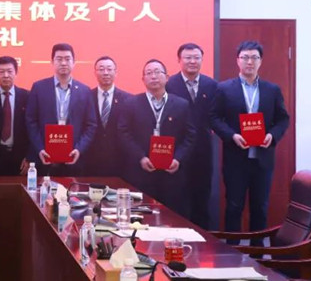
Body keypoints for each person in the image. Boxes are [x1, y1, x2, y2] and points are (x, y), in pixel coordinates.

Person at [210, 40, 290, 243]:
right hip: (235, 158)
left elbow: (283, 119)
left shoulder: (272, 90)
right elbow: (214, 118)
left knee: (260, 207)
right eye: (245, 57)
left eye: (254, 57)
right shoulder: (224, 88)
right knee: (234, 206)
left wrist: (272, 135)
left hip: (263, 159)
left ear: (260, 61)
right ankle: (232, 250)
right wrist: (232, 136)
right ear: (237, 60)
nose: (249, 62)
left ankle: (258, 251)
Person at [116, 59, 195, 217]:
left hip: (171, 172)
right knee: (142, 216)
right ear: (143, 79)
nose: (153, 76)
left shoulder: (181, 104)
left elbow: (190, 135)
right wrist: (140, 157)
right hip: (141, 171)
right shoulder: (131, 103)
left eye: (158, 72)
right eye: (149, 73)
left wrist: (178, 159)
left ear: (167, 77)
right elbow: (123, 133)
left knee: (171, 217)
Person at [165, 42, 219, 229]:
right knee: (177, 198)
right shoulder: (170, 84)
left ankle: (203, 239)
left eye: (196, 58)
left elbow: (216, 115)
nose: (192, 61)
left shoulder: (212, 85)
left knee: (202, 197)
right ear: (179, 60)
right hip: (177, 150)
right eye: (188, 58)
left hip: (203, 150)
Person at [25, 43, 97, 176]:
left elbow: (91, 125)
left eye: (67, 59)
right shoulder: (39, 87)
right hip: (44, 157)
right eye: (59, 59)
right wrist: (39, 148)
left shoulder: (84, 91)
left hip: (74, 158)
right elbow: (31, 121)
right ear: (52, 62)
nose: (63, 63)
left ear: (74, 62)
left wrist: (79, 149)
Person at [84, 56, 132, 177]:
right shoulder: (86, 97)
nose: (105, 73)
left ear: (116, 72)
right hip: (90, 160)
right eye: (101, 69)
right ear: (95, 73)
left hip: (119, 161)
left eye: (109, 69)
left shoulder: (128, 100)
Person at [0, 56, 30, 176]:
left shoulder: (27, 96)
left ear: (16, 73)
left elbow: (31, 128)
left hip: (19, 157)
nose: (6, 75)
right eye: (1, 71)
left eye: (9, 71)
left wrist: (30, 156)